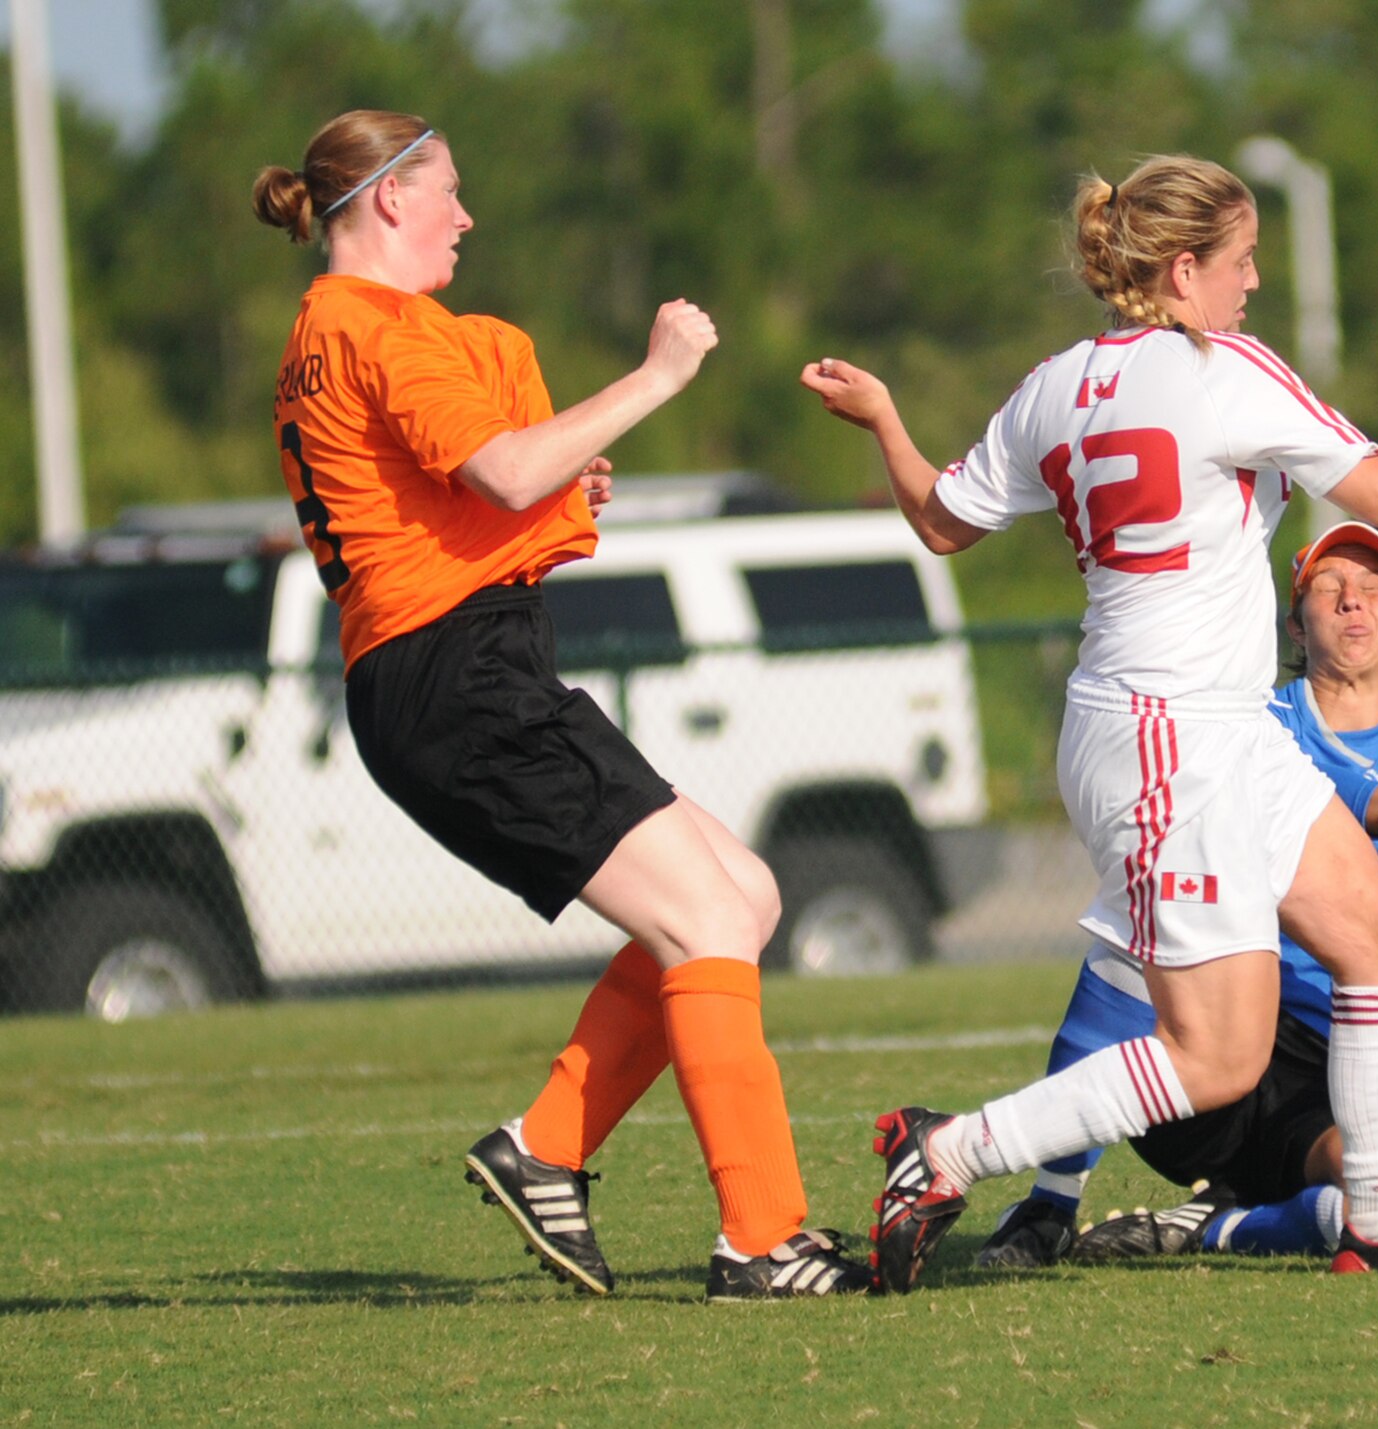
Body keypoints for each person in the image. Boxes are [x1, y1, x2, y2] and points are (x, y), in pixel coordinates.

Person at [802, 153, 1378, 1290]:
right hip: (1168, 733)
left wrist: (884, 418)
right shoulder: (1221, 373)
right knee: (1217, 1054)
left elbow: (941, 520)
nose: (1253, 283)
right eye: (1243, 260)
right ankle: (948, 1150)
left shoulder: (1054, 382)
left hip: (1203, 725)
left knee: (1367, 942)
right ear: (1181, 268)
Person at [253, 110, 868, 1301]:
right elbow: (504, 470)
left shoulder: (331, 330)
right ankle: (763, 1238)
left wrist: (541, 482)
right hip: (453, 675)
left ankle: (545, 1145)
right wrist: (656, 375)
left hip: (453, 666)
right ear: (388, 199)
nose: (464, 217)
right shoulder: (380, 327)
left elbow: (463, 487)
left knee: (742, 893)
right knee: (702, 917)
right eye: (448, 192)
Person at [980, 521, 1378, 1271]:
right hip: (1215, 1021)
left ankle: (1215, 1228)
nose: (1352, 604)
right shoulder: (1245, 720)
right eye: (1328, 590)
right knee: (1136, 926)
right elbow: (1329, 784)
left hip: (1343, 1061)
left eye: (1374, 591)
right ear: (1295, 621)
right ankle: (1048, 1201)